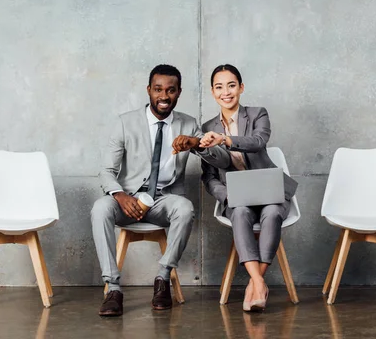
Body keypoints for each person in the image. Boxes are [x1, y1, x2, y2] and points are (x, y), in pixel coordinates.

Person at [92, 64, 230, 317]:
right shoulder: (125, 123)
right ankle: (112, 288)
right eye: (158, 89)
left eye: (170, 90)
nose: (164, 96)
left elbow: (222, 160)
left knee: (185, 208)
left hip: (163, 201)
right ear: (149, 90)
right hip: (129, 200)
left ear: (178, 93)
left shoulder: (188, 123)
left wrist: (196, 144)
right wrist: (120, 196)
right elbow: (105, 171)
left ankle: (163, 278)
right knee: (100, 208)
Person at [199, 64, 297, 312]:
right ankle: (258, 283)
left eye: (231, 85)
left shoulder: (257, 114)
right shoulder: (206, 127)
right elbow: (209, 176)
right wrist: (226, 195)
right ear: (212, 92)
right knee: (240, 212)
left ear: (241, 87)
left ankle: (254, 284)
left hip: (269, 192)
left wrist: (225, 139)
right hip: (237, 198)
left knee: (273, 213)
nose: (226, 92)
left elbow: (258, 141)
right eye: (219, 87)